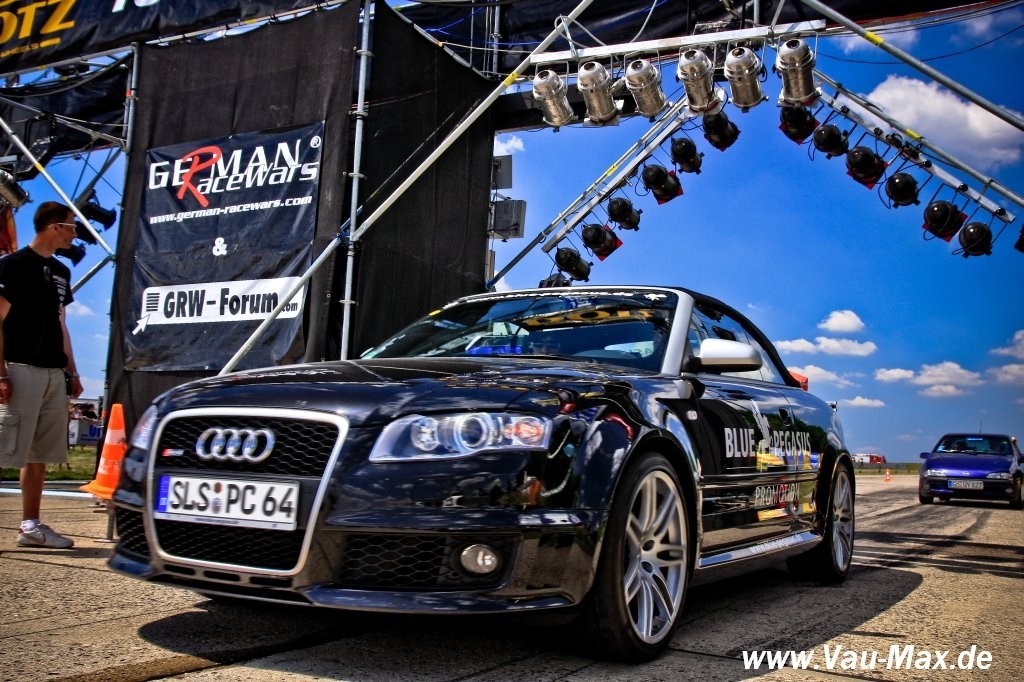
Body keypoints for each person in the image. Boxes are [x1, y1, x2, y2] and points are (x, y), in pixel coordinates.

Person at [0, 201, 83, 548]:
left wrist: (72, 371)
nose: (75, 234)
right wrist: (1, 373)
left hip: (53, 372)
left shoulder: (62, 272)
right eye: (71, 226)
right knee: (5, 448)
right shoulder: (13, 265)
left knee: (39, 455)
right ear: (54, 227)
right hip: (19, 369)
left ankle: (30, 526)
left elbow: (62, 323)